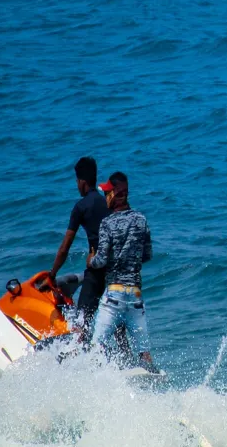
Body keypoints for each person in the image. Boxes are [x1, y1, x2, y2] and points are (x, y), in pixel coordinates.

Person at [88, 172, 155, 369]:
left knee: (96, 346)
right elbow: (147, 255)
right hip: (135, 296)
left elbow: (100, 260)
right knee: (144, 352)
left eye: (107, 193)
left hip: (114, 297)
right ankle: (149, 380)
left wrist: (91, 260)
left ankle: (97, 379)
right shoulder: (141, 220)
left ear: (114, 195)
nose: (104, 197)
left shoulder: (107, 223)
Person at [49, 156, 110, 336]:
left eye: (77, 181)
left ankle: (79, 361)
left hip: (96, 271)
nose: (77, 185)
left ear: (82, 181)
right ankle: (128, 361)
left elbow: (65, 247)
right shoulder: (107, 202)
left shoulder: (81, 207)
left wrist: (52, 275)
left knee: (81, 324)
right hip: (114, 270)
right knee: (117, 325)